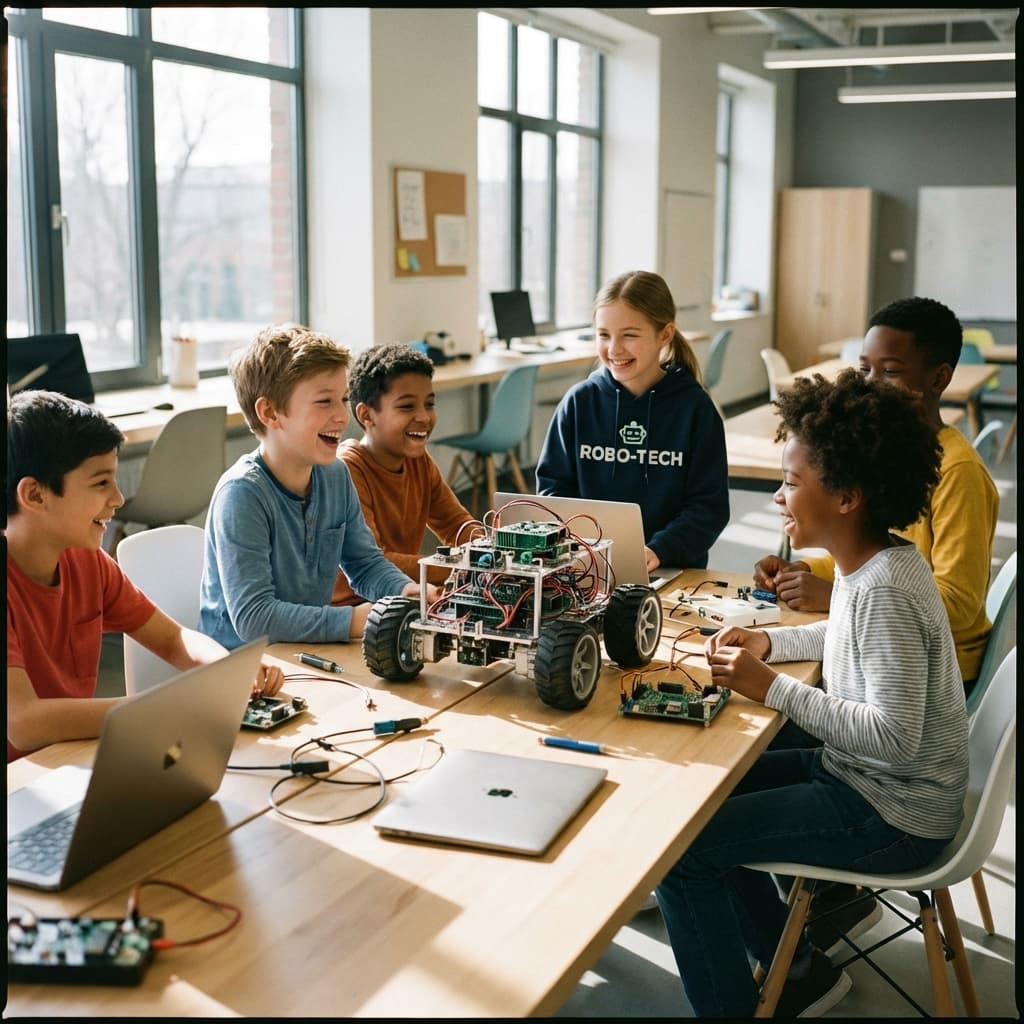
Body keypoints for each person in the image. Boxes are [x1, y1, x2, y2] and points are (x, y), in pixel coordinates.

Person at [655, 368, 968, 1018]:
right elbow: (843, 631)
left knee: (682, 855)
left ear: (848, 496)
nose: (776, 497)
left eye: (791, 483)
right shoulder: (879, 561)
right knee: (707, 795)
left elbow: (893, 736)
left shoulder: (883, 590)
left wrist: (771, 689)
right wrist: (772, 645)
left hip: (894, 812)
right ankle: (797, 969)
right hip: (871, 782)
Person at [6, 390, 283, 762]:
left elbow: (174, 639)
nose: (119, 498)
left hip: (68, 760)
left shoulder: (89, 564)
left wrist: (228, 672)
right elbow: (24, 723)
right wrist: (161, 708)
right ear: (35, 495)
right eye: (101, 483)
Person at [754, 296, 998, 689]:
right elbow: (870, 555)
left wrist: (832, 594)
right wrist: (804, 572)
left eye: (889, 372)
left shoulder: (958, 471)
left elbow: (958, 604)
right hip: (885, 638)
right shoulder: (880, 453)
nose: (868, 385)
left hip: (938, 667)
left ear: (938, 378)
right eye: (864, 369)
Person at [199, 324, 436, 649]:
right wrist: (354, 621)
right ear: (270, 412)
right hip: (243, 670)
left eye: (343, 399)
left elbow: (364, 564)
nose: (342, 415)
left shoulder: (335, 475)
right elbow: (254, 617)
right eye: (325, 402)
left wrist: (406, 590)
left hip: (305, 651)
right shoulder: (242, 494)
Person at [535, 270, 729, 572]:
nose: (614, 349)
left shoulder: (696, 409)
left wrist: (659, 549)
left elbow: (709, 507)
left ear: (664, 335)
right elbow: (552, 490)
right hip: (586, 567)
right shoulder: (579, 403)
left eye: (629, 335)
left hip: (672, 569)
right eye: (604, 335)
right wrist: (579, 546)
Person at [331, 343, 476, 606]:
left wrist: (492, 551)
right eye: (407, 407)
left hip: (405, 598)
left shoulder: (418, 461)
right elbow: (375, 561)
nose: (424, 417)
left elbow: (457, 524)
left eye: (429, 404)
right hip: (354, 608)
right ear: (366, 415)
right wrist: (465, 563)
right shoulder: (347, 470)